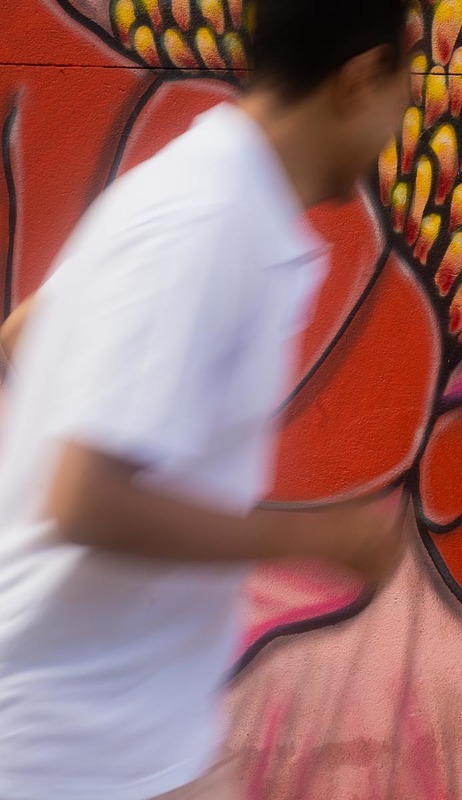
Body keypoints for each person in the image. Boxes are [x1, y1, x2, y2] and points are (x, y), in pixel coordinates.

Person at [0, 1, 416, 798]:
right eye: (405, 90)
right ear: (362, 78)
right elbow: (84, 500)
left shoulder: (214, 195)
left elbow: (28, 335)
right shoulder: (207, 218)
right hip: (70, 754)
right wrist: (324, 534)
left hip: (131, 738)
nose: (400, 124)